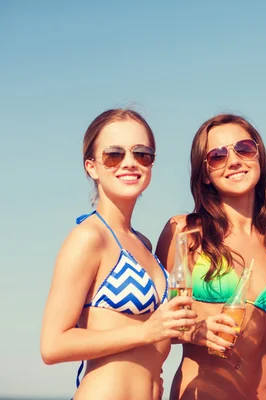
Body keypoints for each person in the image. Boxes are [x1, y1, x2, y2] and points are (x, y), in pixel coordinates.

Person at [40, 109, 197, 400]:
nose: (129, 163)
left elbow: (150, 334)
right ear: (91, 167)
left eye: (142, 154)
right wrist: (146, 332)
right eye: (114, 155)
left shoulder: (143, 243)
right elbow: (52, 345)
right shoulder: (89, 238)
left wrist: (197, 328)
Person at [156, 113, 266, 400]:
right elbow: (151, 326)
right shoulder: (185, 233)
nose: (234, 161)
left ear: (259, 157)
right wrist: (192, 331)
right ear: (205, 174)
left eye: (244, 148)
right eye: (218, 156)